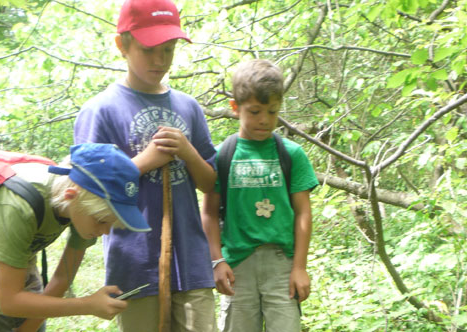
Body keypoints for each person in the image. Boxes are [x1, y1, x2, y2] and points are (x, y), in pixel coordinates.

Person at [73, 0, 217, 331]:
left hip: (192, 262)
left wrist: (188, 153)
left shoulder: (189, 107)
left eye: (168, 50)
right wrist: (144, 161)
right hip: (134, 262)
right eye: (148, 49)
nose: (159, 60)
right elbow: (86, 193)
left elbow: (210, 183)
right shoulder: (101, 111)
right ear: (122, 45)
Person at [0, 143, 153, 332]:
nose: (105, 231)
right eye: (102, 221)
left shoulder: (83, 208)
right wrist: (87, 305)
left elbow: (63, 277)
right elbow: (10, 301)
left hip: (14, 259)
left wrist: (28, 328)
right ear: (70, 196)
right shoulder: (19, 204)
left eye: (111, 222)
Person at [201, 59, 320, 332]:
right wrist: (217, 260)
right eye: (254, 111)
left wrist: (299, 267)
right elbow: (208, 212)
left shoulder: (291, 154)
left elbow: (303, 212)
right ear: (235, 108)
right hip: (237, 267)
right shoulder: (222, 156)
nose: (264, 119)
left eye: (272, 111)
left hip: (282, 265)